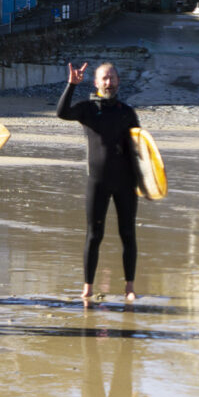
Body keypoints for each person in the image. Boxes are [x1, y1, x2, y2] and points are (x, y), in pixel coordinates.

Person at [56, 62, 140, 301]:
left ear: (118, 81)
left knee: (128, 234)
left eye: (112, 78)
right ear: (95, 82)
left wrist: (144, 183)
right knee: (94, 235)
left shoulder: (127, 112)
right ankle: (88, 288)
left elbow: (140, 150)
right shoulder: (88, 109)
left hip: (126, 182)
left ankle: (130, 287)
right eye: (104, 78)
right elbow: (62, 113)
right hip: (98, 182)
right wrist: (71, 85)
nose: (108, 82)